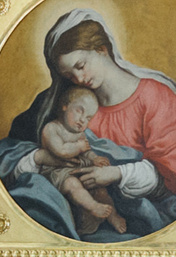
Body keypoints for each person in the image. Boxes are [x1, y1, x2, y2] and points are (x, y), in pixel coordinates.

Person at [0, 9, 176, 240]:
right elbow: (18, 152)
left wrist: (116, 173)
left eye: (81, 66)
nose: (79, 79)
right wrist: (41, 158)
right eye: (69, 75)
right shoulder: (71, 105)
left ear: (102, 49)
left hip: (156, 213)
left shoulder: (154, 96)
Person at [31, 85, 126, 234]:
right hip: (57, 172)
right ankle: (94, 207)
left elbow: (87, 152)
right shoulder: (51, 129)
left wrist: (94, 159)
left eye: (88, 117)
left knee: (100, 188)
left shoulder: (79, 134)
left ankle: (112, 216)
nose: (82, 120)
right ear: (64, 106)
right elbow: (60, 151)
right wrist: (78, 147)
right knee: (72, 184)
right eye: (79, 111)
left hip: (76, 169)